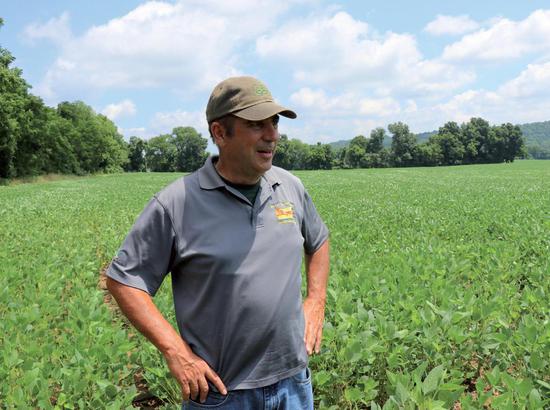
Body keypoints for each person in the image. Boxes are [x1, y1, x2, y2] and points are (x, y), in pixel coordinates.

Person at [106, 76, 330, 409]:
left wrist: (316, 300)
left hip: (293, 383)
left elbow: (318, 241)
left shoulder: (289, 187)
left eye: (274, 122)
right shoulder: (176, 204)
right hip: (222, 395)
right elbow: (125, 281)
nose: (272, 135)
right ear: (220, 133)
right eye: (256, 124)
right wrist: (176, 352)